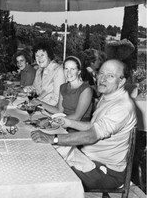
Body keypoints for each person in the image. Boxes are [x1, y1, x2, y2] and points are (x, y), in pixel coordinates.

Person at [31, 59, 137, 190]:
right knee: (42, 155)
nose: (102, 79)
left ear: (121, 81)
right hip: (87, 157)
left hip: (107, 172)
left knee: (48, 172)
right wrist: (69, 122)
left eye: (110, 76)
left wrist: (53, 138)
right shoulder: (108, 96)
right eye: (101, 73)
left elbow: (92, 135)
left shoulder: (122, 107)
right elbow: (94, 126)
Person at [34, 56, 93, 121]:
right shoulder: (63, 87)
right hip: (62, 122)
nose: (68, 73)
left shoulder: (86, 89)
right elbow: (59, 110)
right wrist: (39, 102)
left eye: (72, 69)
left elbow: (77, 117)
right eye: (66, 69)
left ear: (79, 71)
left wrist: (53, 118)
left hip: (77, 127)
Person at [25, 42, 65, 106]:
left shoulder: (58, 71)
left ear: (49, 56)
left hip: (51, 110)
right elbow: (35, 89)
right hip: (40, 105)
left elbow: (56, 100)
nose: (39, 58)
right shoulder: (39, 71)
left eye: (42, 55)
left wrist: (38, 104)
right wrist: (28, 89)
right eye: (37, 56)